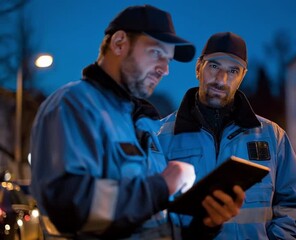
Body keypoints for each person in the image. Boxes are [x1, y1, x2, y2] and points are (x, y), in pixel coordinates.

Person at [30, 6, 244, 239]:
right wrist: (162, 186)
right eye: (156, 53)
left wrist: (205, 225)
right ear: (119, 43)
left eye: (169, 60)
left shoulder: (141, 123)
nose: (165, 69)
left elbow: (150, 224)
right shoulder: (74, 105)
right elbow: (67, 205)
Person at [158, 32, 296, 239]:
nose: (221, 80)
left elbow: (295, 203)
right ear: (198, 68)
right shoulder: (160, 137)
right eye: (214, 66)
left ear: (242, 77)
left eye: (233, 70)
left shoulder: (272, 136)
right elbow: (148, 214)